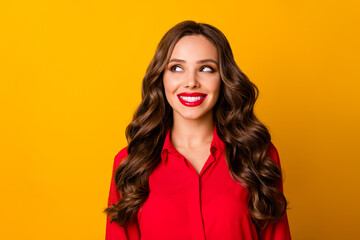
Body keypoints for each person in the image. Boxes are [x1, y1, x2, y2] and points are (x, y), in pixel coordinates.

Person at [104, 20, 291, 240]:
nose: (191, 82)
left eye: (206, 68)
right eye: (176, 68)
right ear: (161, 78)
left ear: (223, 78)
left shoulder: (258, 156)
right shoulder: (130, 163)